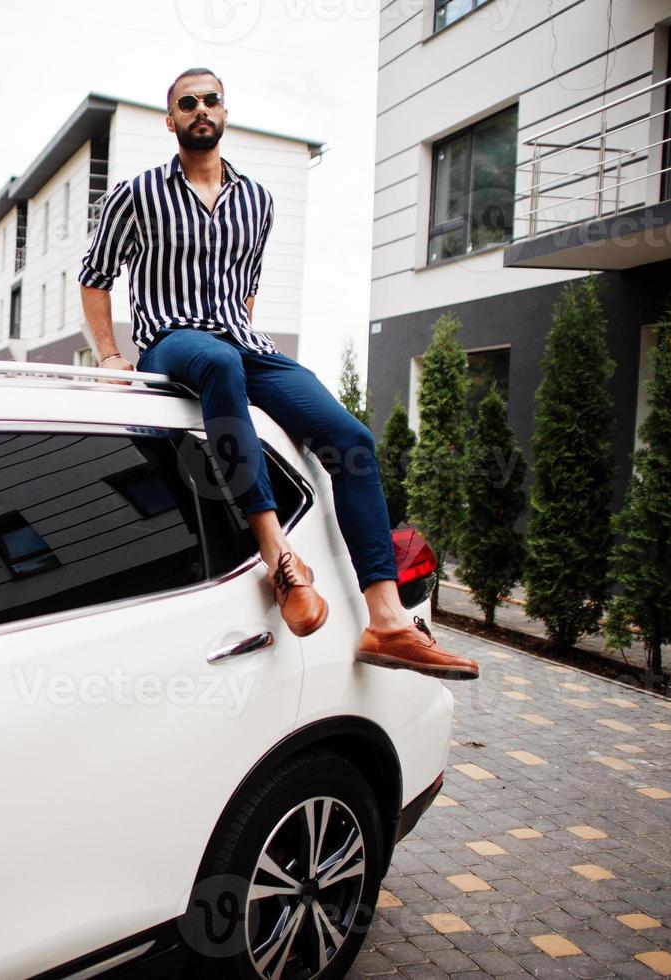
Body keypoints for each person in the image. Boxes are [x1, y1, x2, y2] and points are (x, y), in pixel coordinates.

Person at [77, 67, 478, 681]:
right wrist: (110, 358)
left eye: (211, 99)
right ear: (171, 120)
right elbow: (96, 276)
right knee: (214, 360)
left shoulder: (258, 200)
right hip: (173, 343)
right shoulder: (136, 194)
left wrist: (245, 341)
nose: (200, 110)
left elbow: (249, 287)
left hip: (244, 343)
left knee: (353, 441)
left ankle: (388, 621)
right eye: (187, 103)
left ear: (225, 112)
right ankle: (280, 557)